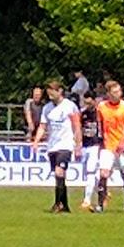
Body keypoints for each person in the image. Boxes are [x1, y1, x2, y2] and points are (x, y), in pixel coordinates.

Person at [33, 80, 81, 213]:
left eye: (52, 93)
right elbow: (43, 126)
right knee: (59, 175)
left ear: (59, 91)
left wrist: (78, 145)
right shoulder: (47, 108)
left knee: (60, 172)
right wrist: (36, 141)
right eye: (48, 94)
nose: (50, 96)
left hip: (65, 144)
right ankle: (65, 205)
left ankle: (58, 203)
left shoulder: (70, 106)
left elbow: (77, 126)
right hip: (52, 146)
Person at [95, 79, 124, 212]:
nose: (117, 94)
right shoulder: (101, 107)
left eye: (119, 91)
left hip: (123, 146)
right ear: (108, 94)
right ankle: (100, 204)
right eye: (114, 92)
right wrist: (100, 142)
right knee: (103, 173)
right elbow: (100, 125)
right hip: (108, 145)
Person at [78, 90, 103, 211]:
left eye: (89, 103)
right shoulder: (82, 114)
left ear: (94, 101)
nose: (87, 105)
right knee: (91, 173)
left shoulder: (99, 114)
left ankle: (87, 200)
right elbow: (78, 129)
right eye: (85, 103)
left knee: (90, 172)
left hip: (95, 145)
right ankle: (103, 191)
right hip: (85, 145)